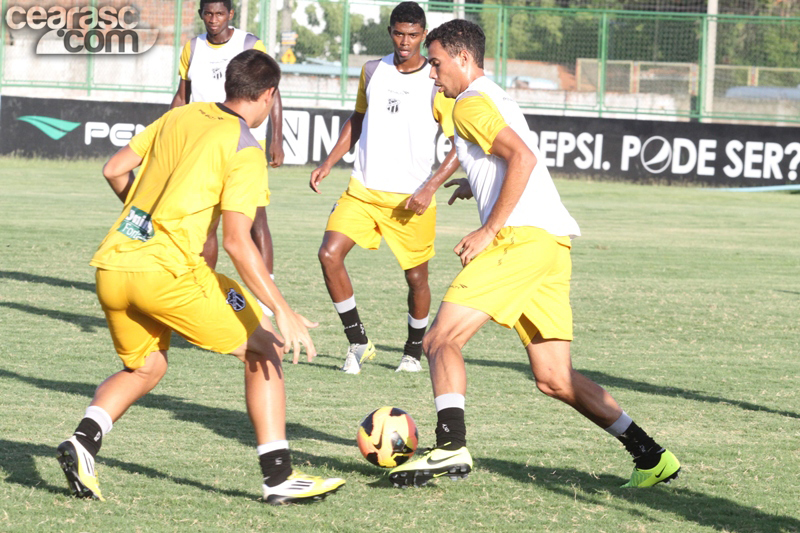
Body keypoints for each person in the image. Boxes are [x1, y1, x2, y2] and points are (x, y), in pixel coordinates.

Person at [389, 20, 681, 489]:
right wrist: (477, 180)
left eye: (437, 63)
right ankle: (650, 455)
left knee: (440, 340)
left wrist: (489, 228)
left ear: (463, 58)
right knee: (554, 378)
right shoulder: (494, 94)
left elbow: (522, 158)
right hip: (551, 243)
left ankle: (449, 446)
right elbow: (514, 156)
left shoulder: (468, 104)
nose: (431, 74)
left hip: (520, 240)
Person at [56, 50, 344, 505]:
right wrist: (283, 310)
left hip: (113, 265)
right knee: (265, 346)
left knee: (145, 366)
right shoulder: (244, 148)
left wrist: (146, 225)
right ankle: (279, 479)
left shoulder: (181, 116)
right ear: (269, 94)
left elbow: (114, 168)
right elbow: (237, 242)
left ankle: (83, 443)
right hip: (167, 273)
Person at [309, 1, 460, 374]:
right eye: (398, 33)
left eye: (413, 35)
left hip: (411, 199)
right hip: (362, 190)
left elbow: (461, 145)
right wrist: (329, 161)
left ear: (424, 36)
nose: (405, 41)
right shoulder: (372, 70)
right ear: (390, 31)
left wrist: (430, 187)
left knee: (416, 278)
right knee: (329, 254)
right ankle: (358, 342)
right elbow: (357, 119)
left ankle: (412, 350)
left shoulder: (436, 81)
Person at [171, 0, 283, 311]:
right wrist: (168, 130)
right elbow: (182, 96)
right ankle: (203, 288)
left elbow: (273, 93)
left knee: (255, 220)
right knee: (206, 221)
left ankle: (265, 296)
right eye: (208, 13)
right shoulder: (192, 48)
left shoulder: (249, 44)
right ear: (200, 15)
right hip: (204, 145)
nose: (214, 19)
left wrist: (277, 139)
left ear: (230, 15)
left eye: (220, 13)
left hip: (246, 144)